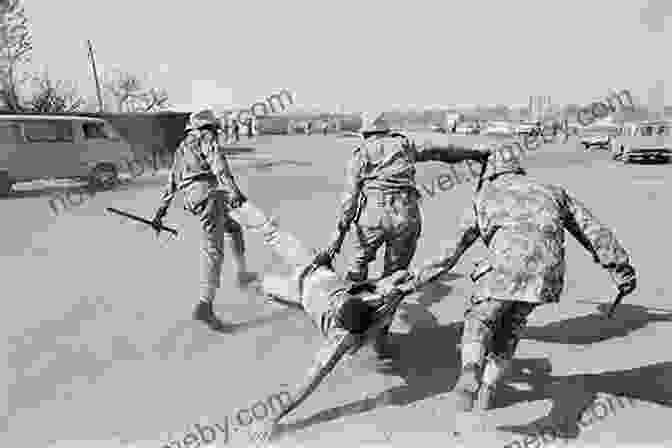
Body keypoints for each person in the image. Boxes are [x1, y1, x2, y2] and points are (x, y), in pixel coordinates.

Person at [409, 142, 637, 413]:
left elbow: (451, 250)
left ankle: (470, 372)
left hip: (504, 270)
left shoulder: (485, 195)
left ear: (490, 173)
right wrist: (621, 269)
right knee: (511, 327)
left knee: (479, 319)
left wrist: (413, 281)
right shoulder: (553, 191)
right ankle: (488, 390)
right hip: (546, 275)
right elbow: (593, 231)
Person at [233, 201, 419, 441]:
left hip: (297, 290)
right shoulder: (374, 299)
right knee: (271, 232)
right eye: (341, 299)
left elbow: (307, 384)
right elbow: (401, 278)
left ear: (339, 323)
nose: (335, 302)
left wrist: (274, 417)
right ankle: (237, 204)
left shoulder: (338, 341)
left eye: (336, 308)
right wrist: (405, 279)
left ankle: (251, 281)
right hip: (311, 264)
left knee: (264, 286)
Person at [314, 113, 490, 357]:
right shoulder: (405, 144)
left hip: (371, 218)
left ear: (366, 133)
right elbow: (443, 150)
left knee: (356, 273)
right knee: (394, 279)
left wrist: (338, 236)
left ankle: (349, 330)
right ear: (387, 130)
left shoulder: (361, 153)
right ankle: (380, 340)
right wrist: (478, 153)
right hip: (405, 216)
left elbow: (349, 199)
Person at [150, 109, 257, 330]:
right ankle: (205, 305)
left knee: (234, 229)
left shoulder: (182, 147)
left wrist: (161, 211)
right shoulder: (206, 138)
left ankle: (243, 273)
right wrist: (234, 191)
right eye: (213, 128)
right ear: (205, 128)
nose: (215, 133)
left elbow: (172, 180)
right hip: (210, 196)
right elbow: (219, 166)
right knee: (213, 250)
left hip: (193, 199)